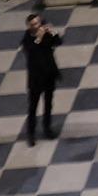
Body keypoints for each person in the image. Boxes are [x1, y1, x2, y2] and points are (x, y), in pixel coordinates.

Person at [19, 14, 63, 143]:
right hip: (36, 79)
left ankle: (47, 129)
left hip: (49, 76)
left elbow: (58, 42)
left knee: (48, 104)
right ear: (29, 26)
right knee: (33, 107)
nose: (36, 26)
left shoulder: (46, 35)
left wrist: (53, 32)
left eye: (37, 23)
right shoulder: (27, 38)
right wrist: (38, 37)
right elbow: (31, 52)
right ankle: (31, 134)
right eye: (33, 24)